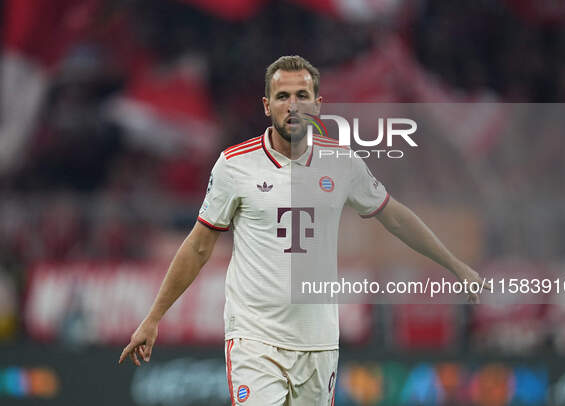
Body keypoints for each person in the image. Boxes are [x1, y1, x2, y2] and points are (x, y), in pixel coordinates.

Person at [118, 55, 489, 405]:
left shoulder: (342, 164)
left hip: (319, 341)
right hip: (255, 339)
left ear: (317, 104)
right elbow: (199, 246)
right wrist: (153, 318)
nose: (292, 105)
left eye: (301, 95)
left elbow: (394, 216)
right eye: (282, 96)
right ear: (267, 106)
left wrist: (455, 265)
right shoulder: (234, 166)